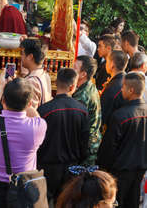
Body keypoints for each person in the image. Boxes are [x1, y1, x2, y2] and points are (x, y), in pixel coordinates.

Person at [0, 77, 47, 208]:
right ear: (29, 104)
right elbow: (35, 115)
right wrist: (24, 98)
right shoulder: (38, 127)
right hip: (22, 188)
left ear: (3, 101)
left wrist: (1, 85)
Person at [37, 68, 89, 205]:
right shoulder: (82, 110)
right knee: (66, 202)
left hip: (46, 166)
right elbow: (85, 142)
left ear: (56, 83)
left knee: (45, 201)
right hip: (71, 166)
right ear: (72, 86)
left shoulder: (44, 110)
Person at [97, 72, 147, 207]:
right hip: (140, 172)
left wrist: (102, 169)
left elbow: (108, 149)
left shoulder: (120, 116)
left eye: (123, 87)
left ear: (131, 90)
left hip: (119, 173)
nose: (121, 90)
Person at [72, 55, 102, 165]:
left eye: (75, 68)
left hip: (87, 146)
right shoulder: (89, 85)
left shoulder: (82, 95)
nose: (71, 69)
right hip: (92, 141)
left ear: (83, 74)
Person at [20, 38, 52, 110]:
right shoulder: (45, 74)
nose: (21, 57)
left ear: (30, 57)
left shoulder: (31, 81)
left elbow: (30, 111)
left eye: (22, 54)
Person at [100, 50, 127, 130]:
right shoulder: (127, 80)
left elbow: (102, 115)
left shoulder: (112, 88)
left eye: (107, 61)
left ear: (112, 65)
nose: (106, 64)